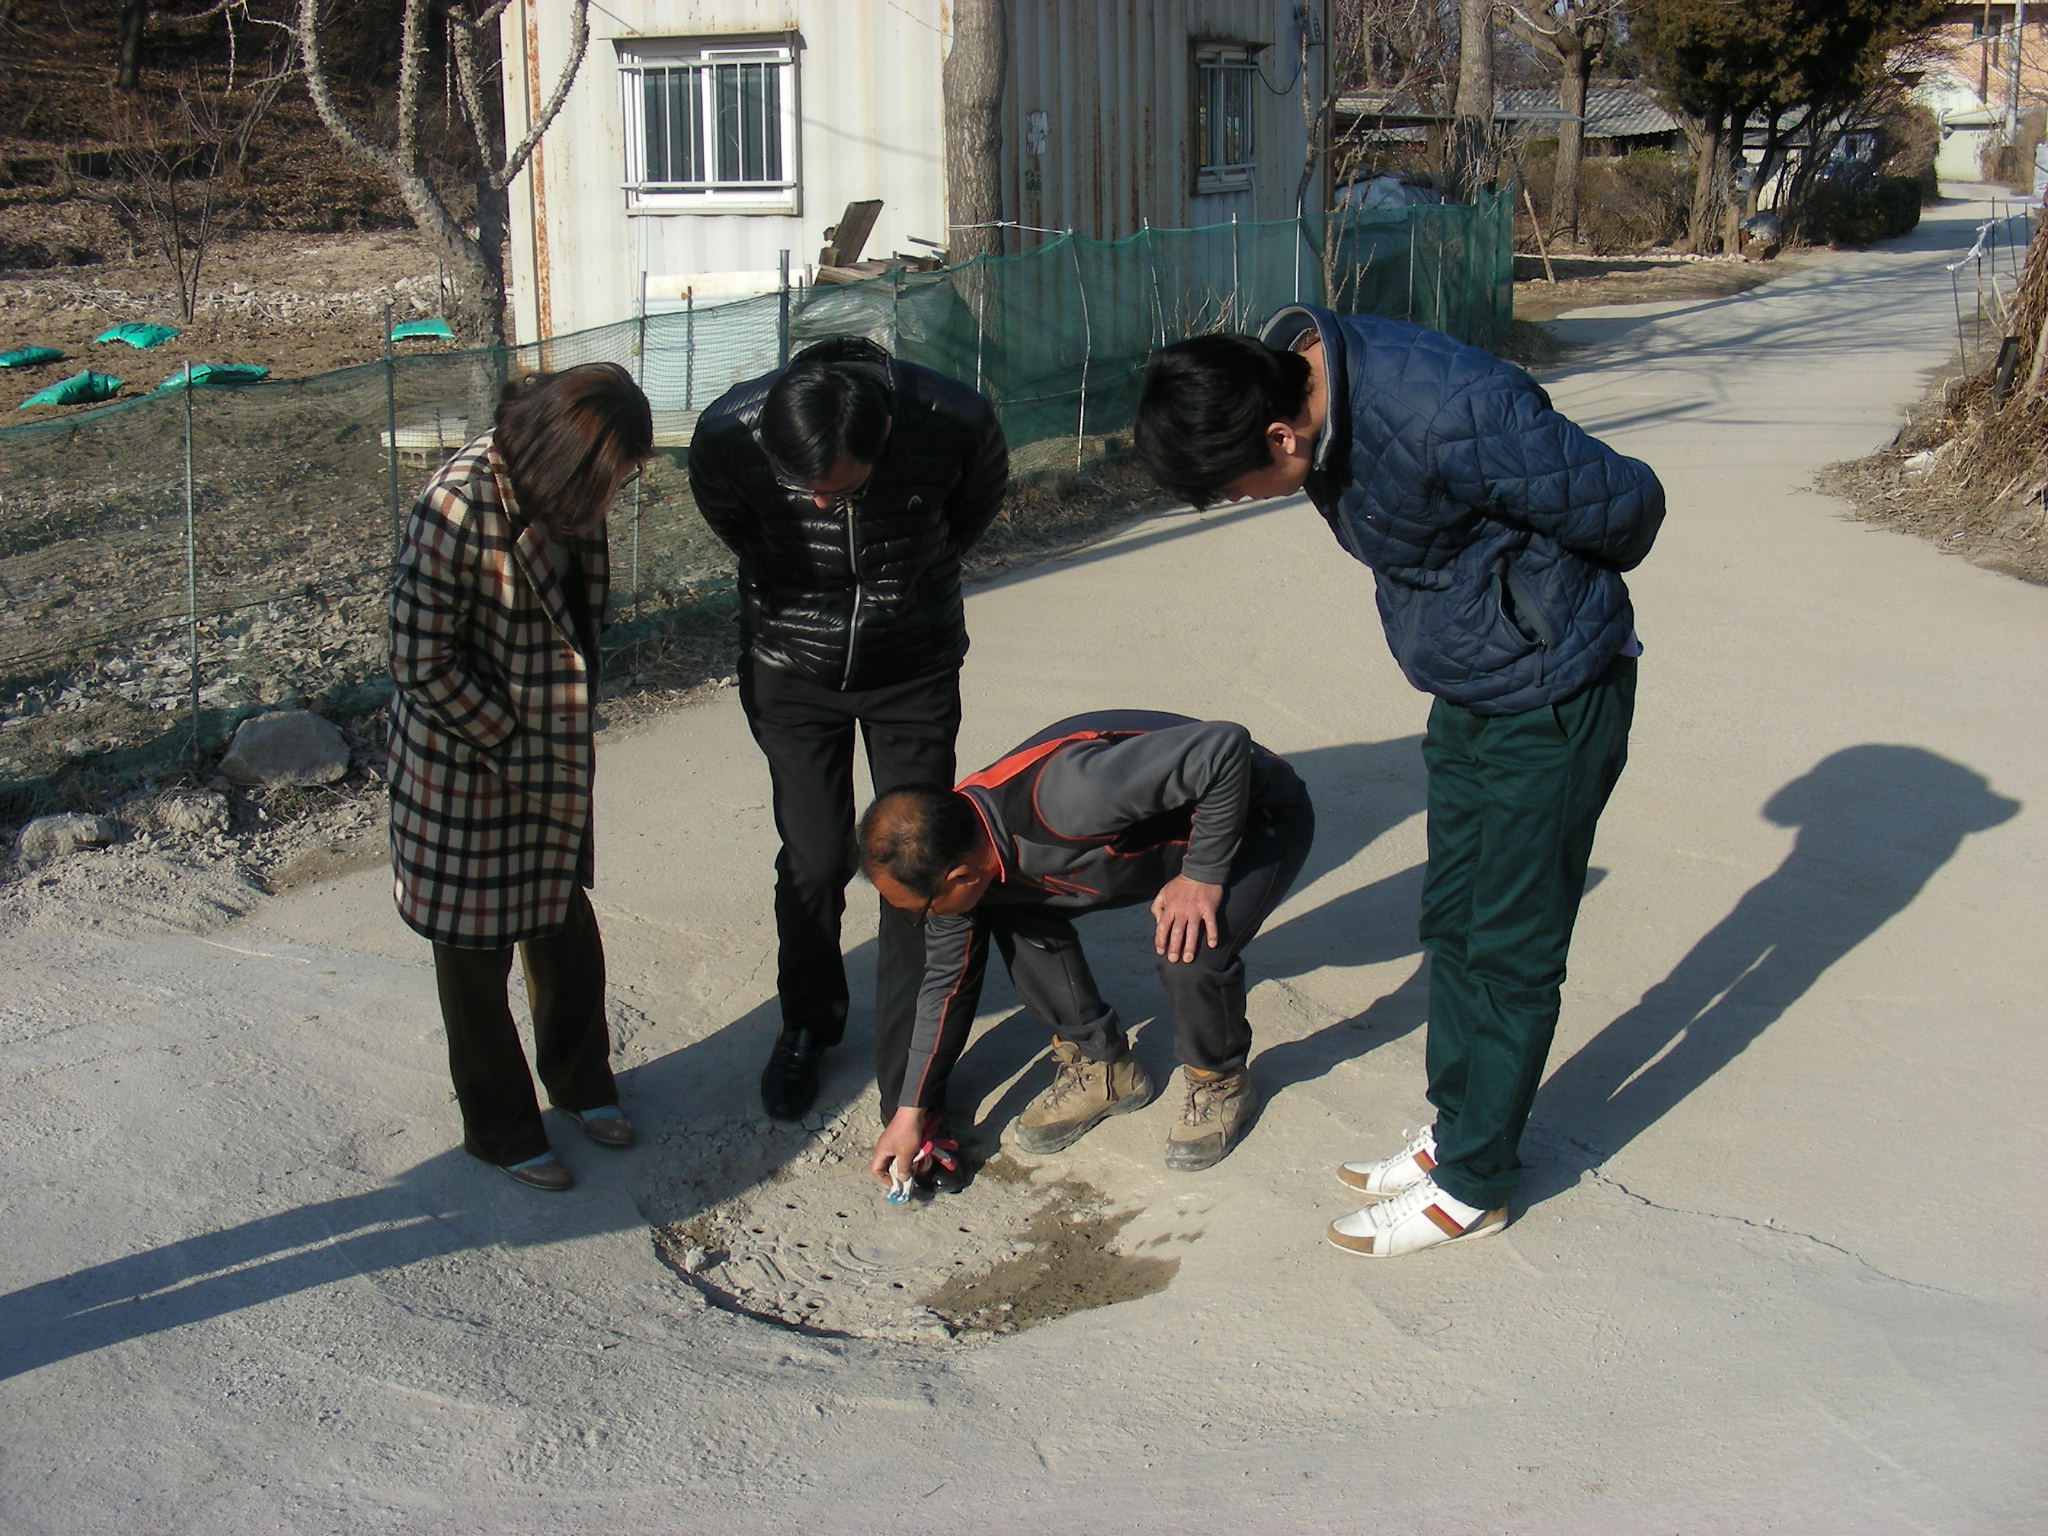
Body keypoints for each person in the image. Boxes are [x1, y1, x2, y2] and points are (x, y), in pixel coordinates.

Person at [1135, 306, 1664, 1258]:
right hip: (1470, 684)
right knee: (1453, 919)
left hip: (1553, 694)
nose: (1243, 500)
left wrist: (1529, 597)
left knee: (1510, 946)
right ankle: (1462, 1127)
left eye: (1236, 486)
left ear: (1279, 436)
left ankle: (1476, 1183)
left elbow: (1627, 507)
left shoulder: (1450, 411)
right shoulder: (1313, 407)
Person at [690, 337, 1007, 1123]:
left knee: (913, 858)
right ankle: (807, 1024)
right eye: (805, 489)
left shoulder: (954, 419)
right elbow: (734, 520)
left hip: (912, 664)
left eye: (842, 489)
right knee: (815, 856)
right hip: (789, 665)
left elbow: (968, 514)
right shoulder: (730, 430)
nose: (822, 506)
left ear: (885, 439)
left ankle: (909, 1076)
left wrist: (905, 588)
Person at [387, 362, 653, 1192]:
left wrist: (548, 742)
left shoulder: (568, 494)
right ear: (563, 459)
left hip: (546, 749)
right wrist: (510, 740)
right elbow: (417, 661)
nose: (614, 497)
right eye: (610, 480)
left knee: (562, 926)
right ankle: (500, 1129)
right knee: (473, 954)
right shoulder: (456, 505)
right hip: (465, 760)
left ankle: (580, 1084)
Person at [855, 710, 1314, 1190]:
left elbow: (1223, 747)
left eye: (922, 910)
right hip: (1156, 838)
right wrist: (910, 1111)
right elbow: (943, 986)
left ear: (959, 876)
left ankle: (1220, 1080)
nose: (925, 920)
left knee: (1189, 950)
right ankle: (1106, 1068)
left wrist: (1202, 874)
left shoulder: (1070, 796)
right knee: (1008, 908)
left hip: (1251, 815)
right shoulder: (964, 851)